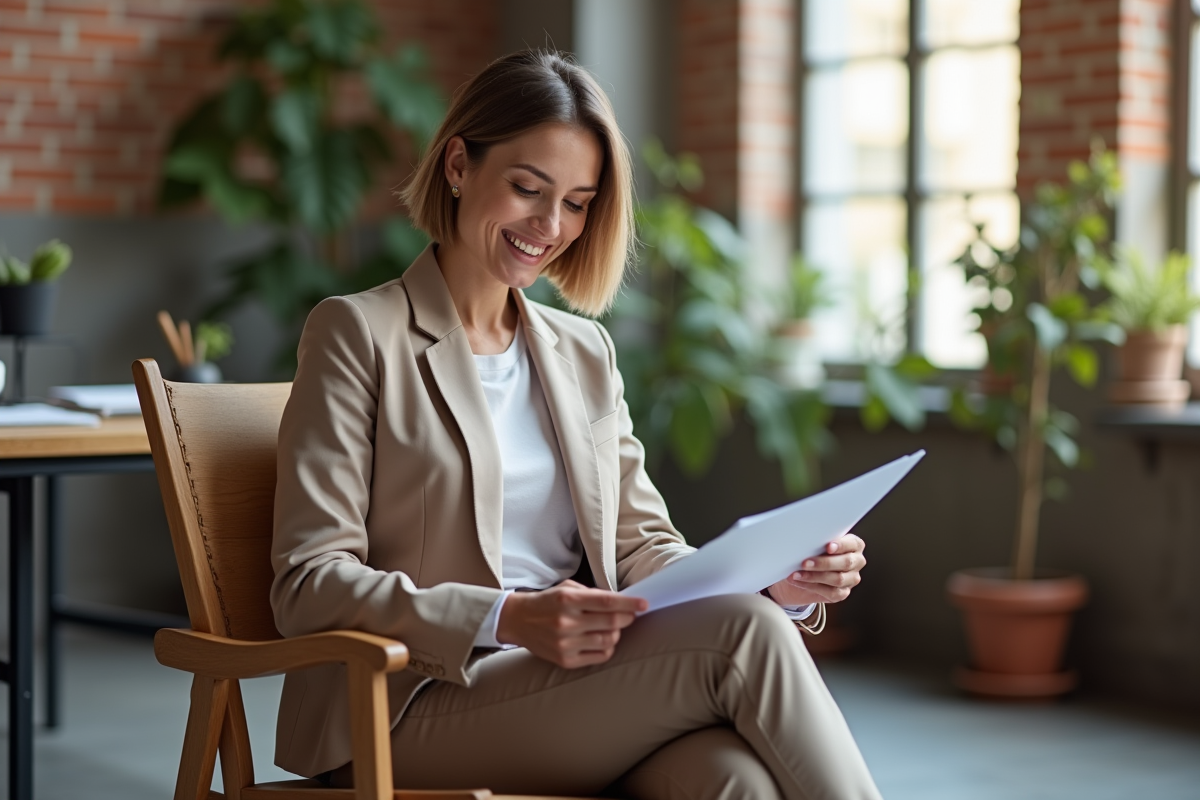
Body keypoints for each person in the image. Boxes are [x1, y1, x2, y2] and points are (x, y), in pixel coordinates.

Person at [270, 49, 882, 800]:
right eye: (527, 188)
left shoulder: (583, 350)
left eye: (578, 202)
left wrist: (773, 582)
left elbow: (641, 545)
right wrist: (510, 618)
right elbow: (309, 582)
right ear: (459, 166)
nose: (550, 225)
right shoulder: (358, 333)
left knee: (734, 781)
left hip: (571, 685)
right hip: (407, 703)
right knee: (747, 633)